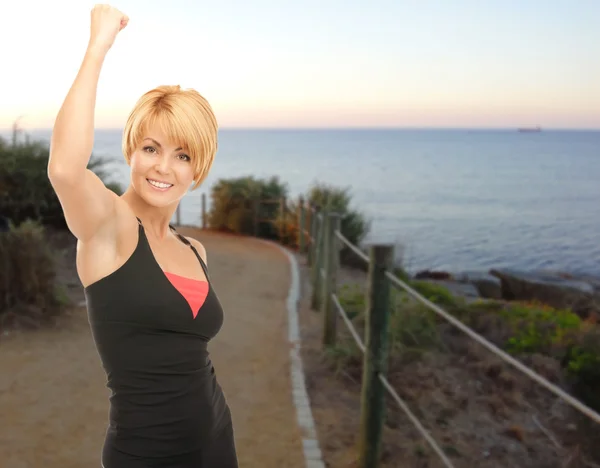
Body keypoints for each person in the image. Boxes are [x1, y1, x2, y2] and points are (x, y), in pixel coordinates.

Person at [47, 4, 238, 467]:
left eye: (182, 155)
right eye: (151, 148)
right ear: (131, 149)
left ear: (200, 167)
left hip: (215, 442)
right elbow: (65, 170)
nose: (162, 167)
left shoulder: (195, 249)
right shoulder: (109, 228)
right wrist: (98, 47)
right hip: (144, 455)